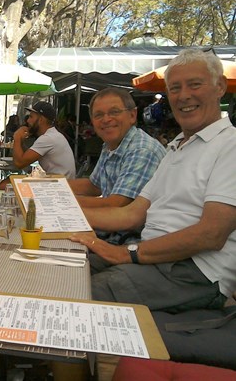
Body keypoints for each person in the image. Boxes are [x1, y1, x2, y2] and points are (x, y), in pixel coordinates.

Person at [70, 48, 236, 313]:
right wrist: (55, 214)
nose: (184, 96)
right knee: (59, 266)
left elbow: (211, 234)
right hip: (151, 257)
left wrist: (128, 253)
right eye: (175, 88)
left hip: (195, 273)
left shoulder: (230, 145)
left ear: (220, 88)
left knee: (75, 293)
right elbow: (133, 215)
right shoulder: (177, 146)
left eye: (195, 85)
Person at [69, 88, 166, 209]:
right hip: (111, 224)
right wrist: (51, 187)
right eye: (98, 115)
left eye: (114, 112)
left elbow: (117, 204)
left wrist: (60, 202)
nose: (106, 119)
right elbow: (94, 186)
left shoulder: (142, 150)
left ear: (132, 115)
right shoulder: (111, 144)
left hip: (137, 227)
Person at [12, 101, 76, 178]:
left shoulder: (47, 138)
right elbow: (26, 156)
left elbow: (20, 163)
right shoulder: (52, 134)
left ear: (41, 119)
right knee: (7, 183)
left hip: (59, 186)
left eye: (31, 117)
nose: (28, 121)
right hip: (59, 182)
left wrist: (17, 137)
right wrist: (21, 142)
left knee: (4, 185)